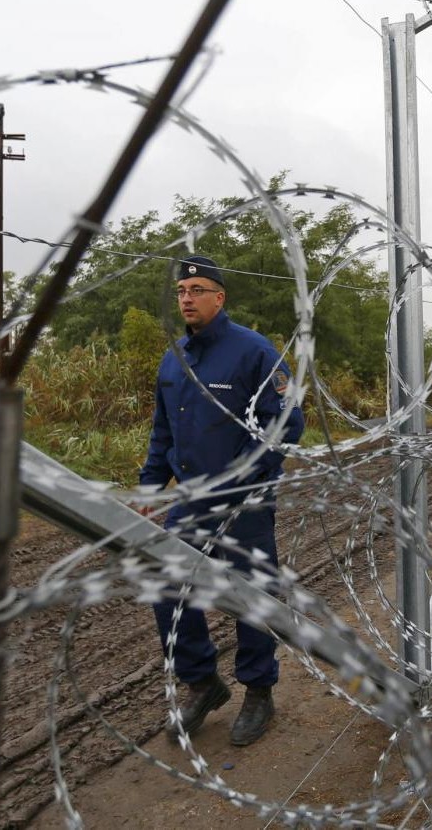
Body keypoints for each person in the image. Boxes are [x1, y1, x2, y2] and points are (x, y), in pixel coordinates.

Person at [139, 255, 305, 747]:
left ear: (219, 297)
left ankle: (258, 691)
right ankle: (202, 683)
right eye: (181, 291)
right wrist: (150, 488)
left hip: (243, 501)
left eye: (196, 289)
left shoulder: (255, 352)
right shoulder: (175, 357)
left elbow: (285, 425)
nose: (186, 298)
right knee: (168, 584)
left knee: (249, 596)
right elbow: (163, 430)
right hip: (191, 500)